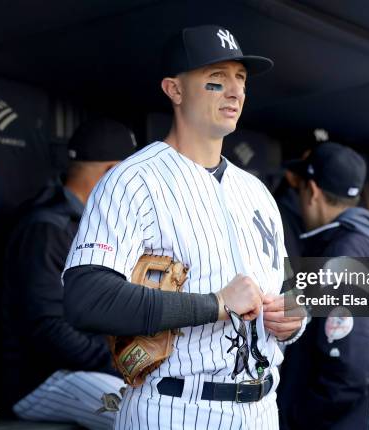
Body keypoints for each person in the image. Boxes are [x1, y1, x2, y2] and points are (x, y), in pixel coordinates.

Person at [61, 25, 306, 430]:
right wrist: (213, 304)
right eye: (216, 79)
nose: (234, 91)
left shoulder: (257, 192)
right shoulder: (133, 179)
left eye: (240, 79)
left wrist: (294, 320)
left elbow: (289, 289)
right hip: (176, 408)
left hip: (263, 409)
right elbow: (86, 298)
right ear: (174, 90)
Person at [2, 118, 137, 429]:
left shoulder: (94, 223)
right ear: (111, 173)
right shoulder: (46, 229)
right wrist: (122, 363)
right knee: (146, 415)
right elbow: (48, 331)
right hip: (44, 378)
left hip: (91, 367)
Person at [277, 142, 369, 430]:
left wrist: (300, 416)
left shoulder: (345, 251)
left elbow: (351, 367)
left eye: (301, 188)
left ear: (312, 191)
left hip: (360, 418)